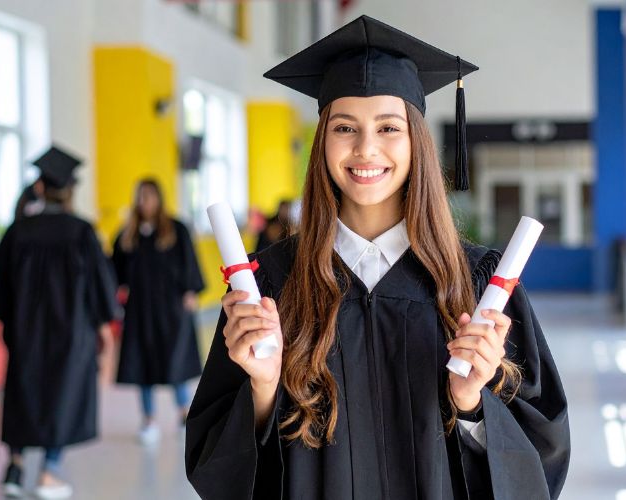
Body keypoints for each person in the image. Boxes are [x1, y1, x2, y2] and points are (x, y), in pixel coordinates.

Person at [185, 15, 570, 500]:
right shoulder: (271, 286)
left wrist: (473, 405)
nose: (366, 148)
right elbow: (214, 468)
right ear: (322, 142)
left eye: (389, 127)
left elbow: (542, 460)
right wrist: (262, 389)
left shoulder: (476, 283)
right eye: (345, 127)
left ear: (416, 143)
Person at [0, 146, 117, 500]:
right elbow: (101, 288)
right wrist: (105, 330)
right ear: (70, 190)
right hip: (71, 332)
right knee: (64, 393)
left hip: (25, 331)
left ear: (40, 187)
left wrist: (13, 326)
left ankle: (13, 467)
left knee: (23, 392)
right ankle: (48, 471)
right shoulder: (81, 232)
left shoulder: (17, 231)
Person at [111, 178, 205, 445]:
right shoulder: (129, 234)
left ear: (159, 199)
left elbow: (190, 263)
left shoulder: (175, 230)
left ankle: (184, 412)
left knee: (174, 359)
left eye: (149, 196)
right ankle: (148, 418)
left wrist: (190, 291)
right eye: (140, 196)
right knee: (142, 364)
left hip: (170, 309)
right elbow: (114, 269)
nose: (144, 202)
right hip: (140, 311)